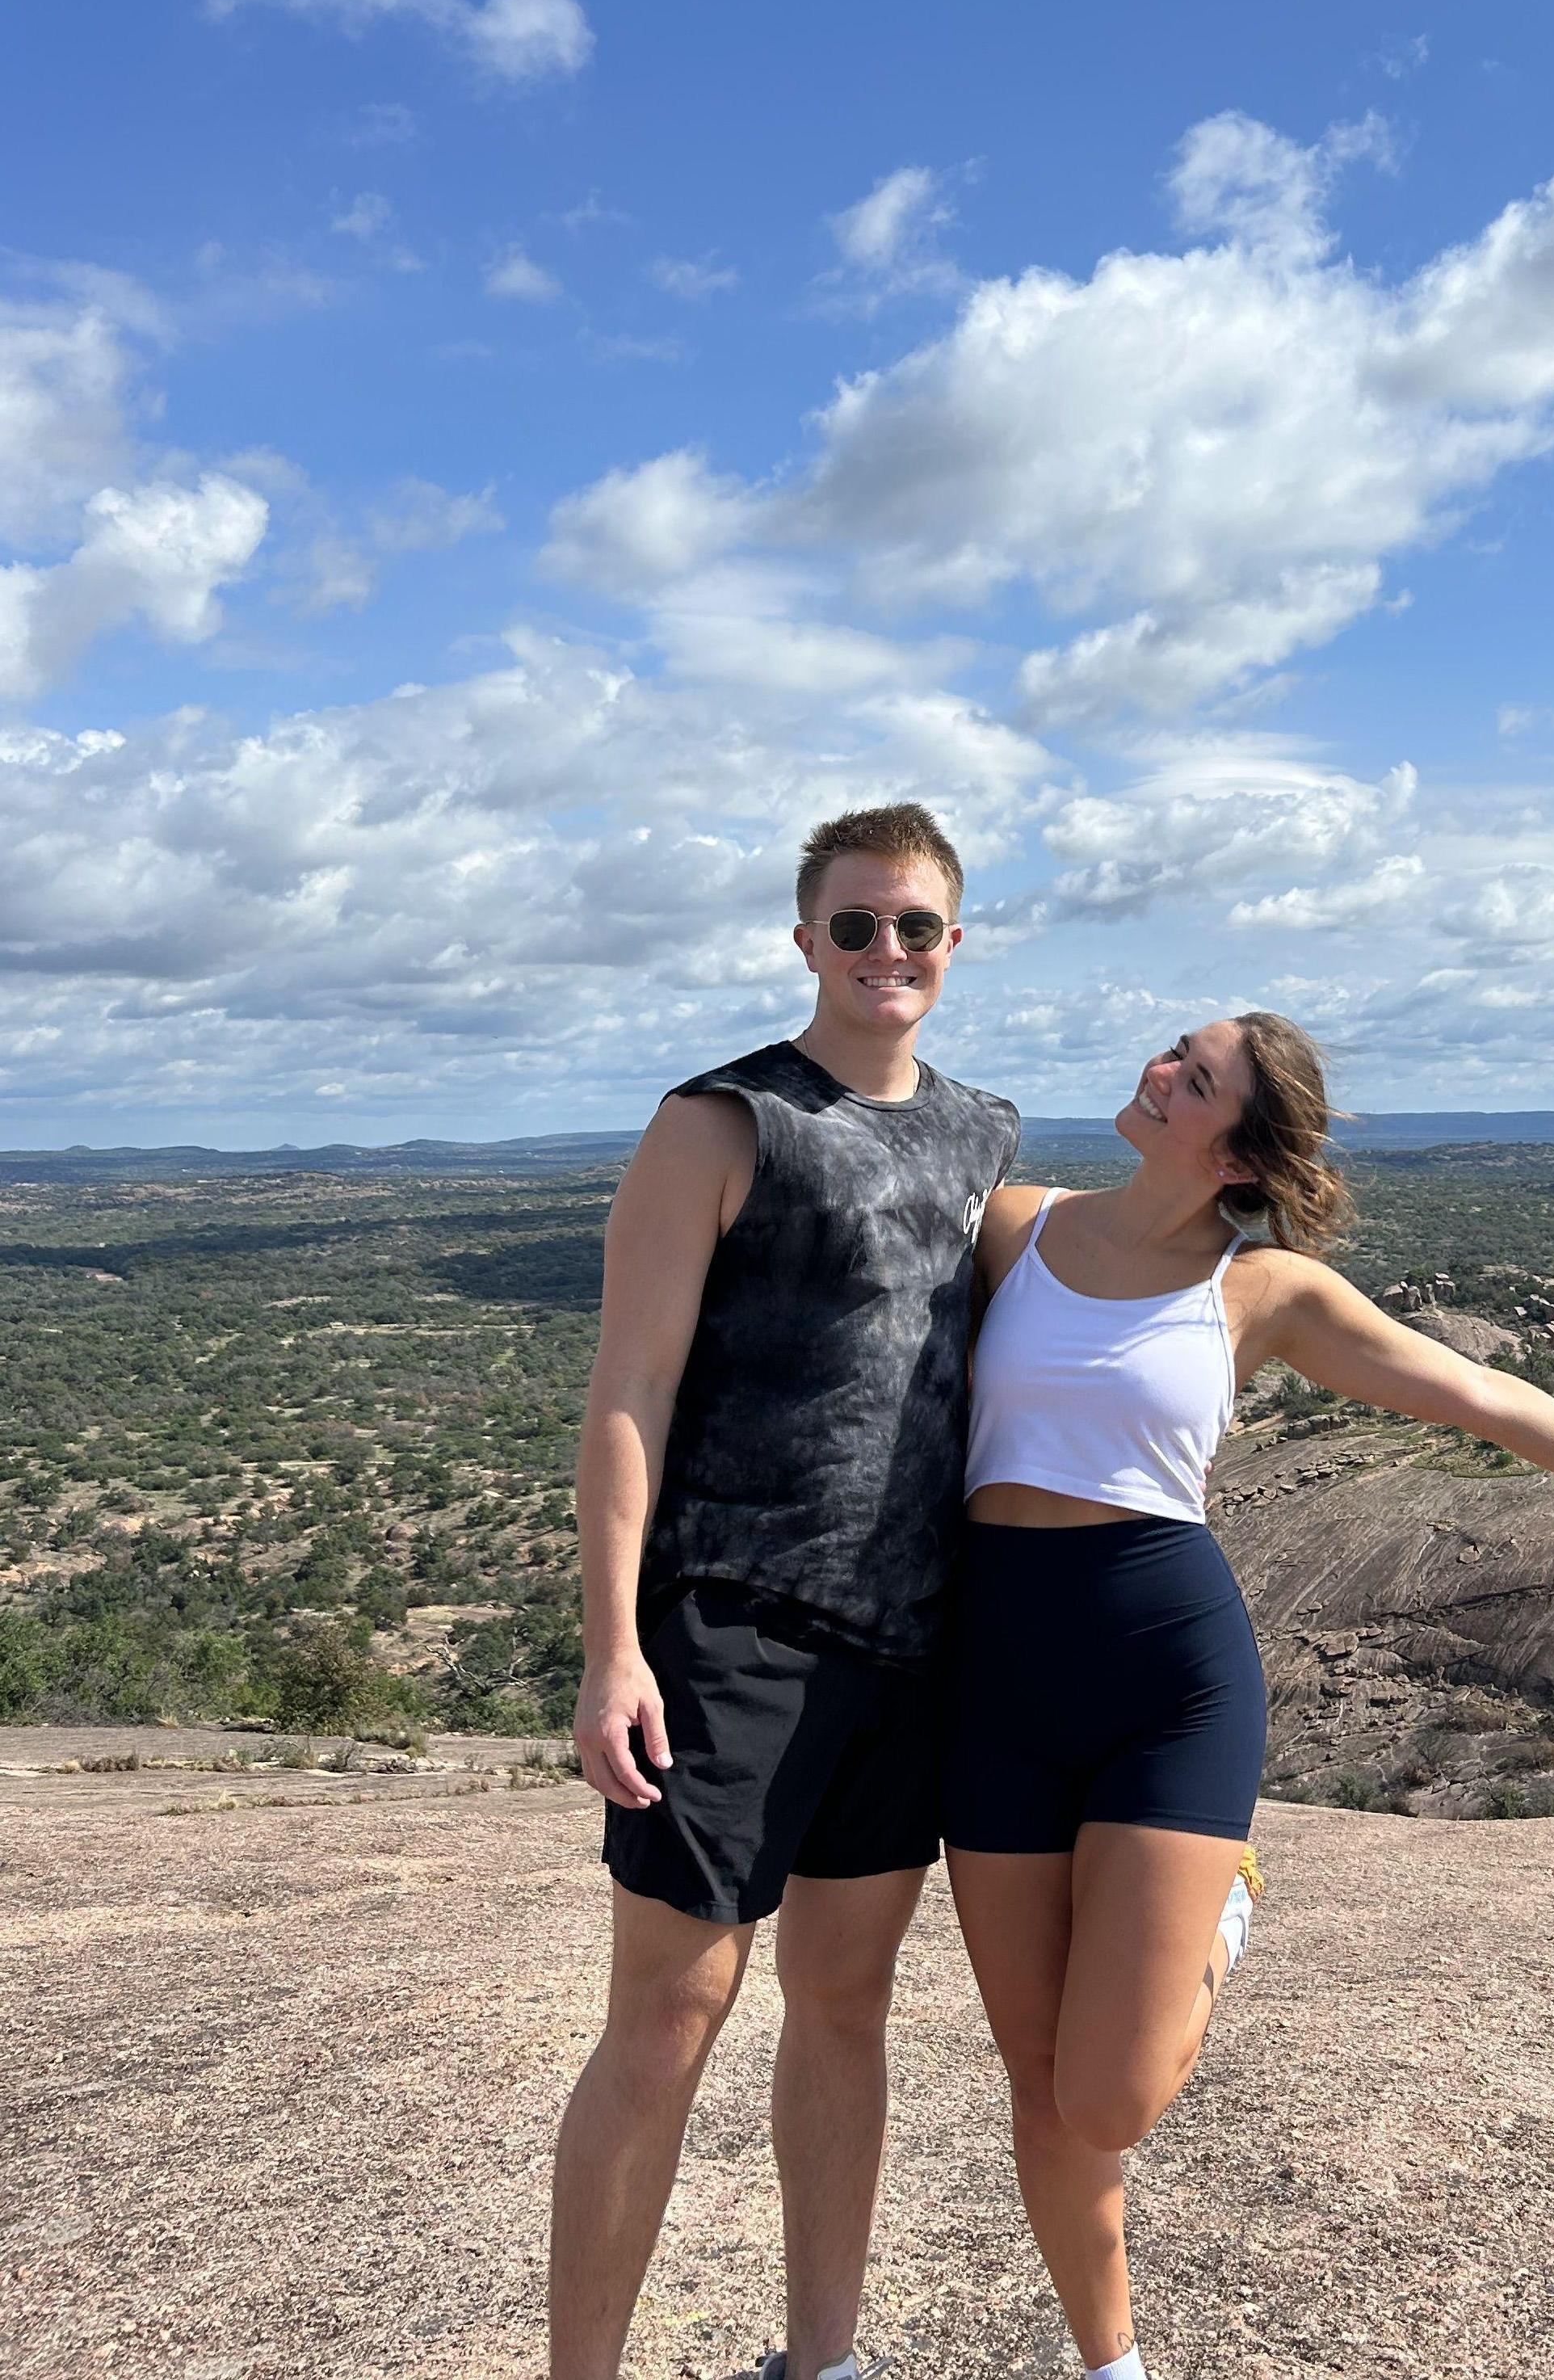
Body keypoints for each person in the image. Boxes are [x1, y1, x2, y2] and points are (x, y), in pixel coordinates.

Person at [943, 1011, 1554, 2380]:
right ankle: (1110, 2365)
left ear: (1238, 1152)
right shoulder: (1011, 1225)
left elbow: (1473, 1392)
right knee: (1037, 2082)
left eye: (1196, 1077)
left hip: (1164, 1680)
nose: (1159, 1072)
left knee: (1109, 2097)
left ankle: (1222, 1910)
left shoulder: (1263, 1287)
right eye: (1173, 1049)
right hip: (993, 1682)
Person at [551, 802, 1019, 2380]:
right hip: (729, 1622)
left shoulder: (984, 1133)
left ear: (954, 943)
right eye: (856, 924)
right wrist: (613, 1646)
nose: (888, 950)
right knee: (668, 2016)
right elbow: (630, 1389)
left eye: (916, 926)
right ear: (806, 937)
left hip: (906, 1640)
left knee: (843, 2003)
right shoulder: (720, 1122)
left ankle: (823, 2359)